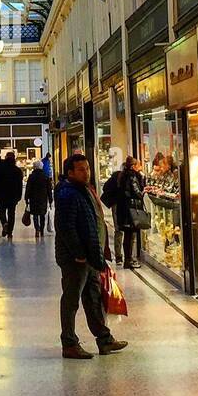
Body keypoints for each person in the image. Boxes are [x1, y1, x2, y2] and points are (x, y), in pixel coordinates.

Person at [53, 152, 128, 360]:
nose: (86, 173)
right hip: (76, 259)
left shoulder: (83, 190)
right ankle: (69, 343)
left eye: (87, 168)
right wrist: (78, 254)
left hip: (90, 255)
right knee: (71, 299)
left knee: (93, 298)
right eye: (81, 169)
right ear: (70, 173)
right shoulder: (68, 194)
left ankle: (104, 339)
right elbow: (65, 227)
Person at [115, 156, 147, 268]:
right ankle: (129, 260)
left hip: (123, 209)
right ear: (133, 166)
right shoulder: (132, 176)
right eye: (138, 165)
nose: (140, 167)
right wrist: (143, 191)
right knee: (130, 235)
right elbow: (136, 191)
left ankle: (127, 260)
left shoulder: (122, 175)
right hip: (130, 210)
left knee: (127, 236)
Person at [0, 151, 24, 239]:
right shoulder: (17, 171)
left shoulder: (0, 169)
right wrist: (19, 196)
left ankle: (4, 223)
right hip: (13, 196)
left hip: (1, 195)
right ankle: (10, 232)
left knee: (1, 211)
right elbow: (20, 185)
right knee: (11, 213)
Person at [99, 163, 124, 265]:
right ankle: (125, 256)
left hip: (116, 205)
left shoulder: (116, 176)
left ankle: (119, 257)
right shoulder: (123, 177)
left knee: (119, 230)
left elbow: (105, 188)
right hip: (123, 206)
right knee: (127, 231)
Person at [25, 158, 52, 237]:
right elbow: (49, 189)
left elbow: (28, 188)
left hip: (33, 198)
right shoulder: (45, 177)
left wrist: (26, 198)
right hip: (43, 198)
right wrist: (50, 199)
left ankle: (37, 229)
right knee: (42, 214)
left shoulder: (31, 176)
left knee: (35, 215)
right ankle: (42, 230)